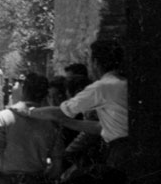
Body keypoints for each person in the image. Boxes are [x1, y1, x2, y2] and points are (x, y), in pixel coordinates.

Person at [30, 40, 128, 173]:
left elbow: (63, 111)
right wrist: (67, 122)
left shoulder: (102, 87)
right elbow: (100, 127)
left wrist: (29, 111)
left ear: (95, 63)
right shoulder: (123, 83)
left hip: (118, 151)